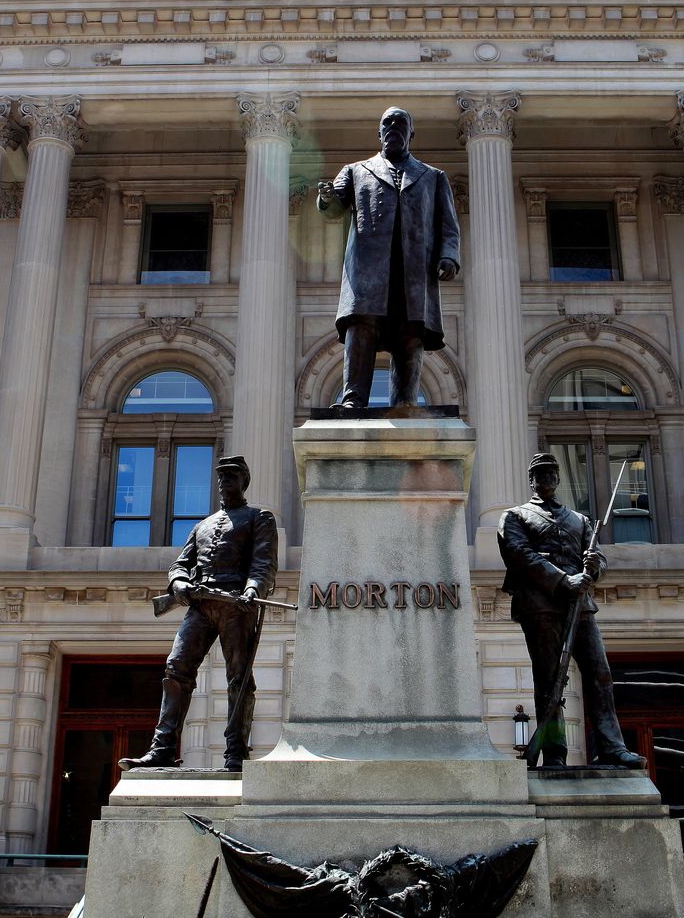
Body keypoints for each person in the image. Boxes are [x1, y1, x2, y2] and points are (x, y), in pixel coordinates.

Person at [120, 455, 278, 772]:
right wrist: (178, 583)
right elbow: (181, 564)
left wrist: (253, 590)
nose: (224, 481)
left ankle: (235, 753)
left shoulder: (259, 517)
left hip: (236, 605)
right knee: (176, 668)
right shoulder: (202, 525)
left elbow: (263, 564)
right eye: (221, 476)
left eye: (231, 476)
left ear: (243, 481)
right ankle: (162, 750)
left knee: (239, 678)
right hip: (200, 604)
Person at [497, 453, 647, 769]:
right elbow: (520, 556)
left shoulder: (580, 520)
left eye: (552, 473)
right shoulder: (515, 517)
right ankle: (554, 753)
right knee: (550, 680)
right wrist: (564, 580)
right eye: (540, 474)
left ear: (558, 478)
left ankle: (611, 747)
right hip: (541, 605)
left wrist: (595, 569)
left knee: (600, 673)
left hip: (580, 605)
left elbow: (597, 560)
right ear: (532, 480)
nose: (547, 478)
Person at [316, 106, 461, 407]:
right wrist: (327, 197)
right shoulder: (356, 171)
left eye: (400, 123)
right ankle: (353, 398)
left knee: (410, 332)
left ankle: (405, 403)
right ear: (379, 132)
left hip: (413, 269)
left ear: (411, 133)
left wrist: (449, 256)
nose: (393, 127)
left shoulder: (433, 177)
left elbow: (448, 225)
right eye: (387, 123)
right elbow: (333, 209)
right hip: (370, 269)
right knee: (362, 327)